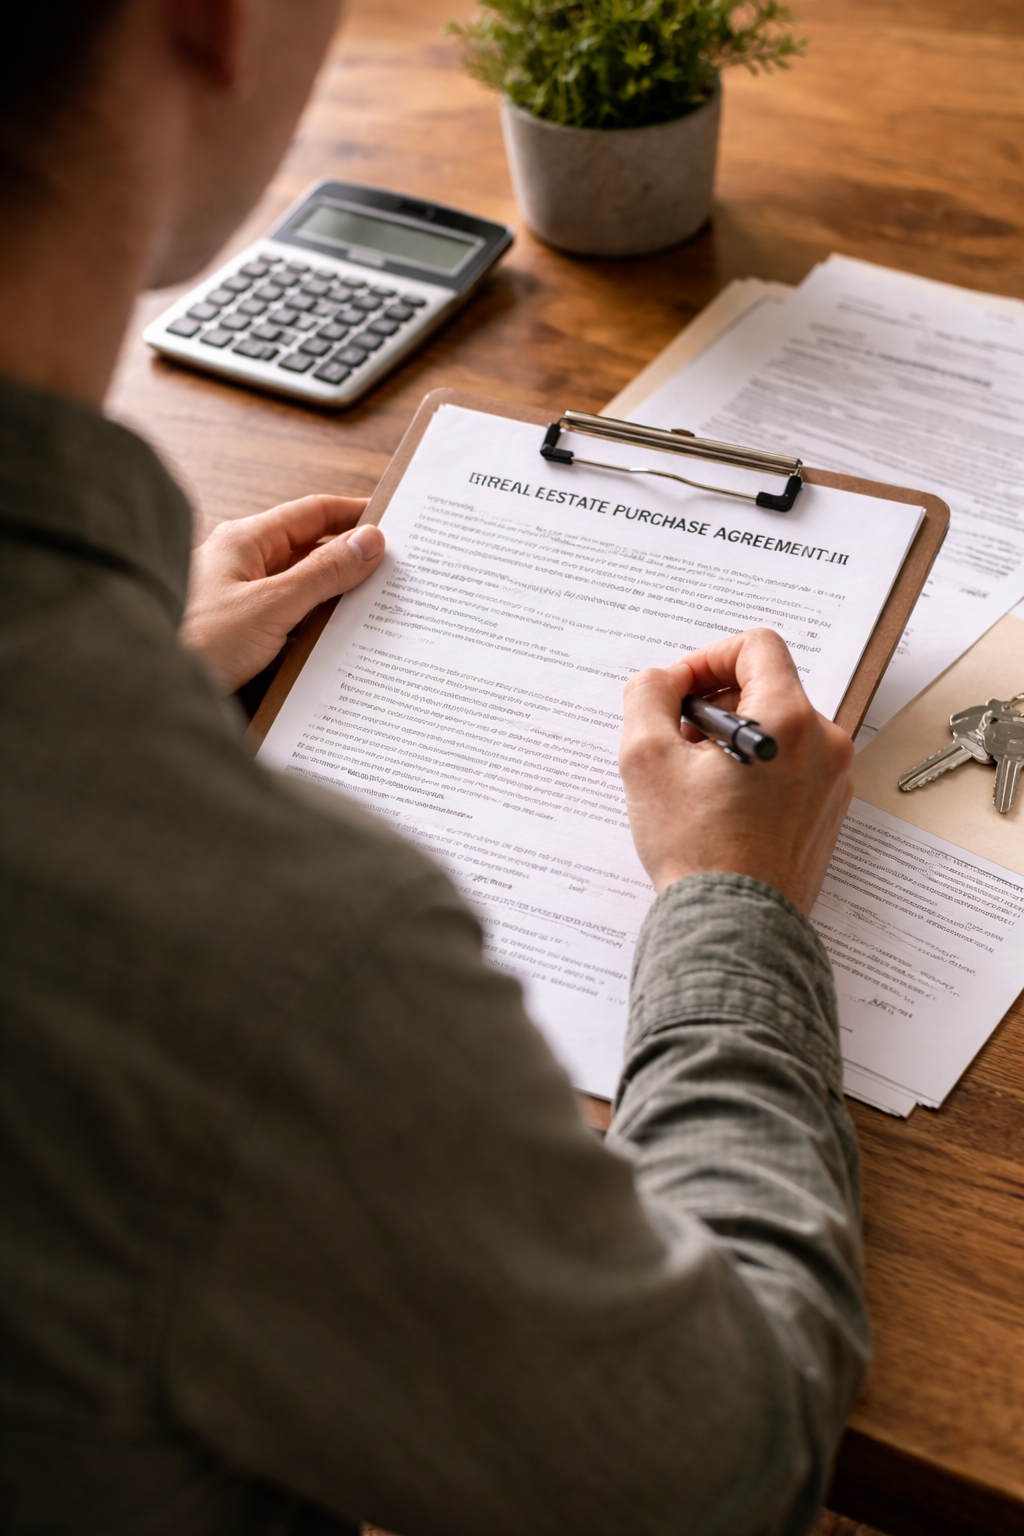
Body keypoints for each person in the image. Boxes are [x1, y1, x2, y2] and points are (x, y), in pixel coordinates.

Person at [0, 3, 867, 1534]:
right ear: (210, 22)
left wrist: (134, 650)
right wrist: (734, 902)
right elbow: (725, 1469)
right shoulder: (274, 962)